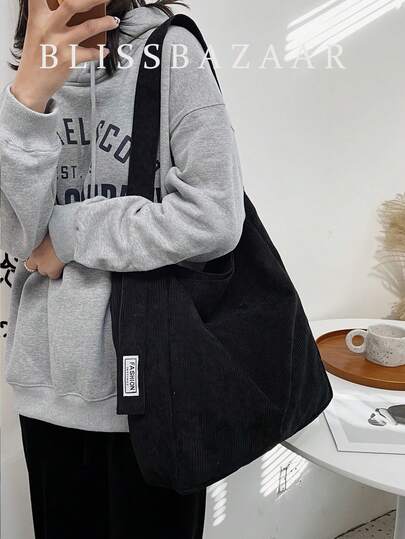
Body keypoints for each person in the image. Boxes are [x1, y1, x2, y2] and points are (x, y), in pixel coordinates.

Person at [0, 0, 245, 537]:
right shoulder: (28, 73)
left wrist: (70, 234)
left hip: (160, 385)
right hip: (49, 386)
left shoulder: (170, 51)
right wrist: (29, 97)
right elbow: (18, 240)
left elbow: (215, 219)